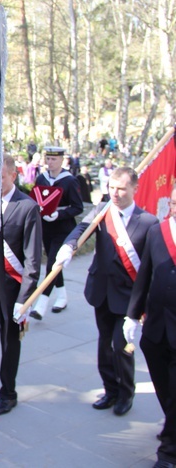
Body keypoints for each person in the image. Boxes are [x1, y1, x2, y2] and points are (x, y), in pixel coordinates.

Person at [54, 167, 158, 416]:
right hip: (101, 290)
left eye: (122, 188)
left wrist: (143, 306)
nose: (116, 193)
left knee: (121, 347)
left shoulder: (148, 222)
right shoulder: (102, 211)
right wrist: (69, 246)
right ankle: (110, 390)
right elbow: (81, 230)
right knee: (104, 345)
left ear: (135, 188)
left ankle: (126, 393)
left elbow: (150, 267)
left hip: (128, 296)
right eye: (112, 187)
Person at [125, 184, 176, 468]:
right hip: (156, 329)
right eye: (174, 201)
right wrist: (132, 315)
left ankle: (168, 452)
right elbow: (145, 274)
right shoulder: (159, 231)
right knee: (165, 389)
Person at [0, 154, 42, 415]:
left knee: (10, 342)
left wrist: (25, 299)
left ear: (13, 176)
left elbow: (33, 260)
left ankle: (8, 392)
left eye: (0, 177)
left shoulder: (27, 207)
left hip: (11, 288)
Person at [30, 146, 83, 318]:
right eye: (48, 159)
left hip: (63, 229)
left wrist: (59, 214)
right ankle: (62, 296)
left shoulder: (69, 181)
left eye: (54, 159)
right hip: (46, 228)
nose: (50, 162)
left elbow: (78, 207)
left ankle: (41, 304)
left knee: (53, 263)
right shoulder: (41, 178)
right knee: (55, 264)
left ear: (62, 160)